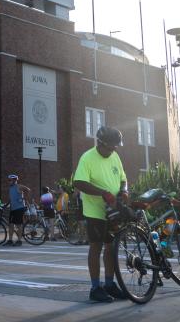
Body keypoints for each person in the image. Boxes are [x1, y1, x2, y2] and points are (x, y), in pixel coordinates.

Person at [74, 126, 130, 303]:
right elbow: (79, 182)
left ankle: (109, 284)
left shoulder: (115, 156)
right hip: (95, 211)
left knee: (111, 247)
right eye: (111, 146)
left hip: (112, 210)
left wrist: (124, 190)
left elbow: (123, 178)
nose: (114, 149)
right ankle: (95, 288)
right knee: (96, 247)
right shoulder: (88, 157)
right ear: (101, 143)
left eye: (115, 146)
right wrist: (103, 193)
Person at [6, 174, 31, 245]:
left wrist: (24, 198)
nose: (8, 182)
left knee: (19, 225)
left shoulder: (18, 186)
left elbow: (28, 190)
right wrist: (5, 206)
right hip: (12, 209)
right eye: (8, 180)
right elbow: (11, 199)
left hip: (19, 208)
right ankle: (10, 240)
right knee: (11, 224)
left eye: (10, 180)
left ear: (14, 180)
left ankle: (19, 241)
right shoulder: (10, 188)